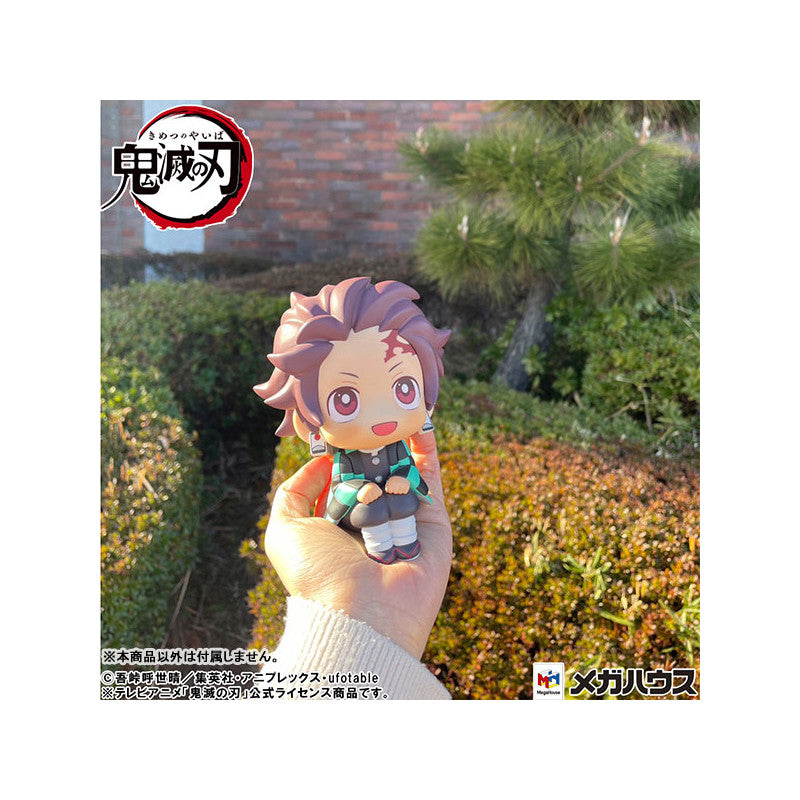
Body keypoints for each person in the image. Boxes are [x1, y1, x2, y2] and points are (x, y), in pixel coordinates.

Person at [263, 428, 453, 699]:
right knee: (370, 511)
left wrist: (403, 478)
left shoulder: (397, 446)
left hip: (397, 502)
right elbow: (341, 486)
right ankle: (382, 551)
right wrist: (359, 490)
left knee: (403, 503)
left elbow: (410, 470)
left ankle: (406, 545)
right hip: (363, 510)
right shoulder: (346, 457)